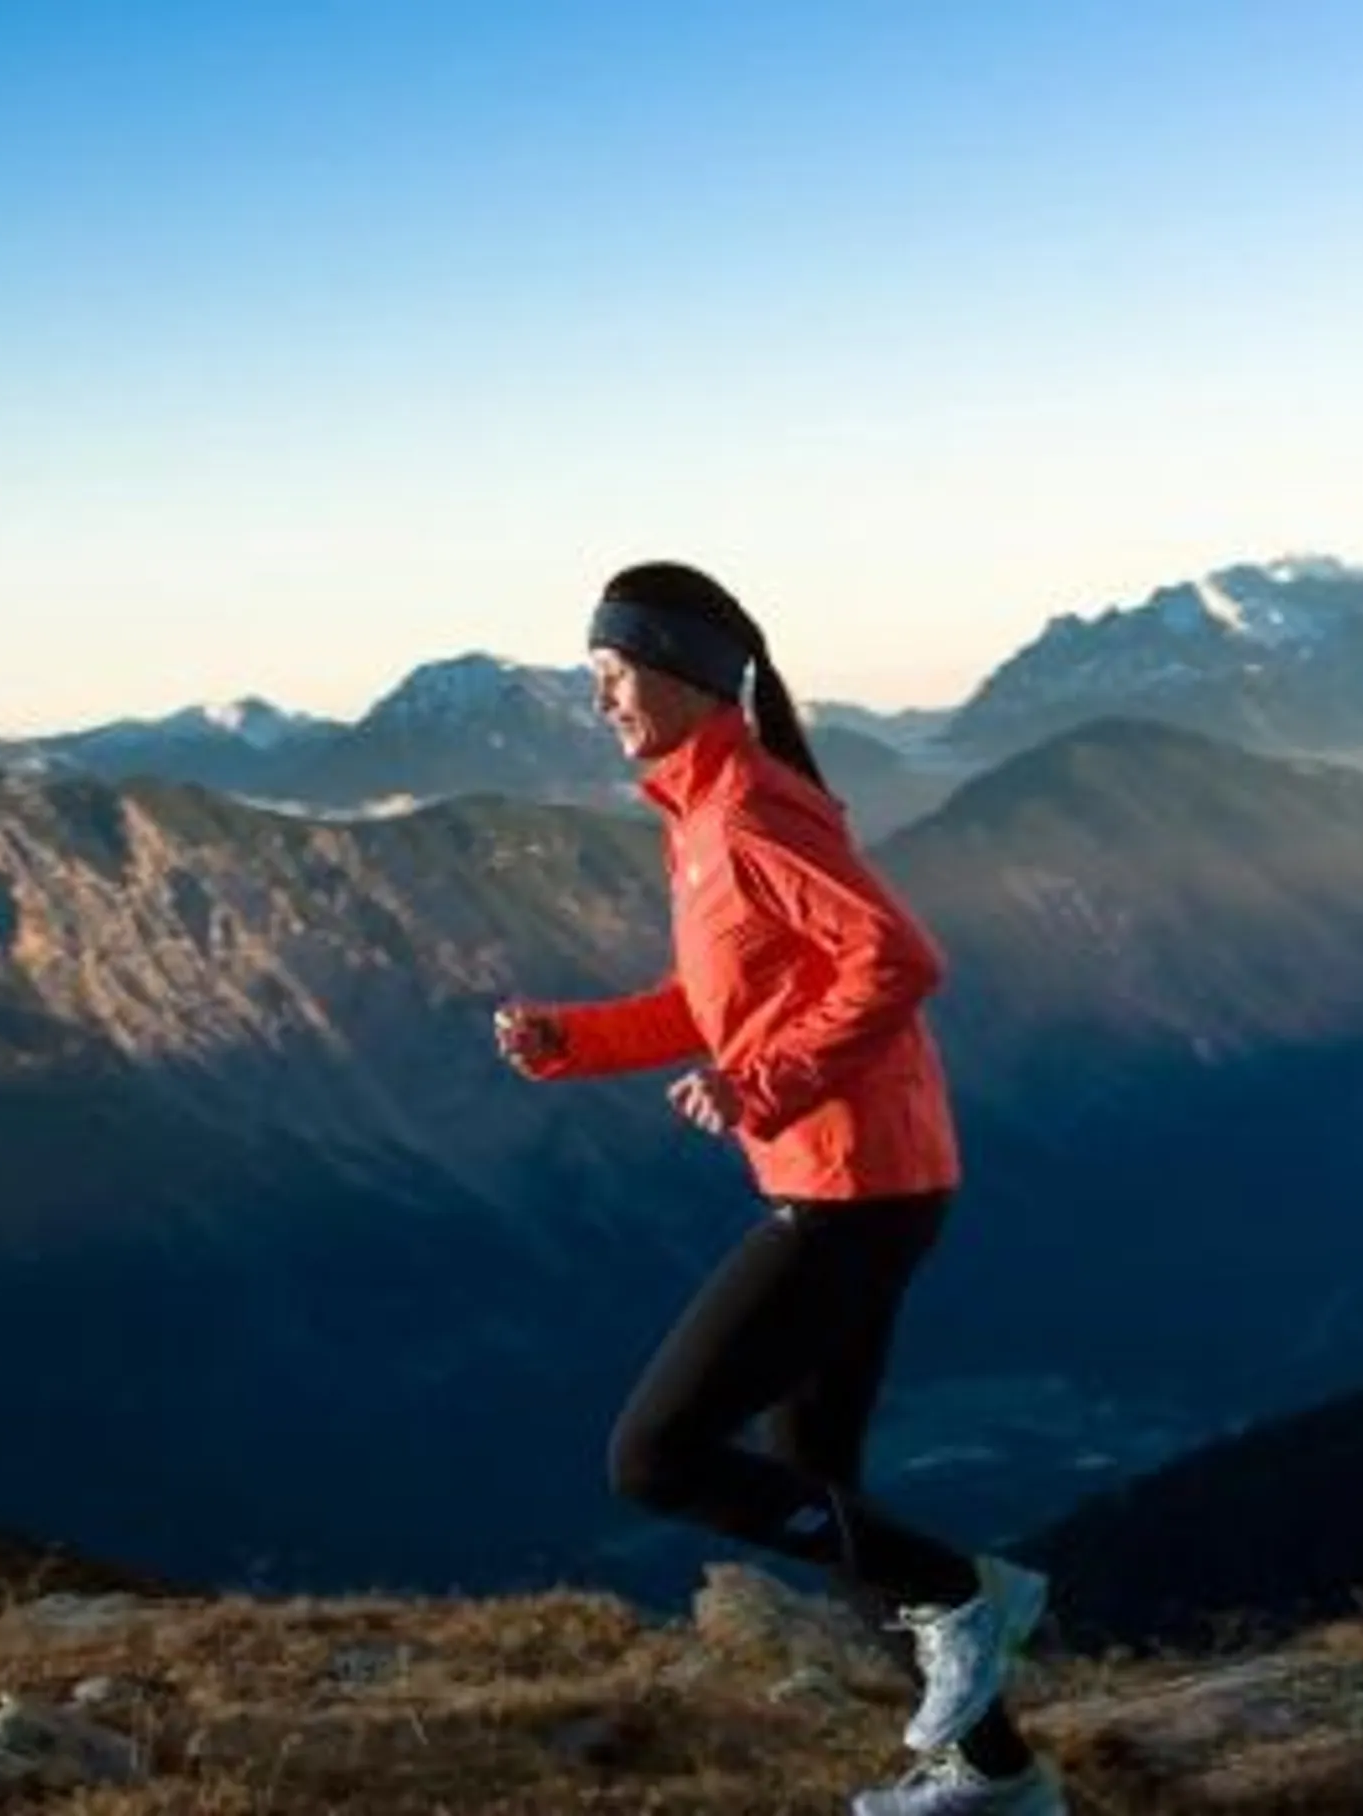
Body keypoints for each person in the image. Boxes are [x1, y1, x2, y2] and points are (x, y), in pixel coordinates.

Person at [496, 560, 1063, 1816]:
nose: (599, 700)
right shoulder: (703, 815)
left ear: (686, 672)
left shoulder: (748, 808)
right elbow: (718, 1000)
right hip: (858, 1176)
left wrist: (766, 1080)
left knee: (657, 1455)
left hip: (858, 1184)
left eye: (613, 673)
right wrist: (572, 1039)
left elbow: (900, 959)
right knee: (817, 1475)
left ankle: (965, 1592)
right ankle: (993, 1774)